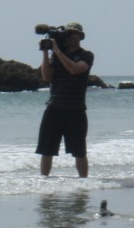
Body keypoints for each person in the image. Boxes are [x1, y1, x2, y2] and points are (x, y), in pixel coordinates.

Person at [35, 22, 94, 178]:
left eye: (74, 34)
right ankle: (44, 182)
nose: (71, 36)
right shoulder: (56, 55)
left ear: (80, 36)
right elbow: (46, 76)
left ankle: (83, 184)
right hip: (54, 108)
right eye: (69, 34)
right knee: (46, 150)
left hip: (76, 109)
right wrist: (46, 52)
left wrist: (57, 51)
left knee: (79, 151)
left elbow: (74, 69)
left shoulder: (86, 55)